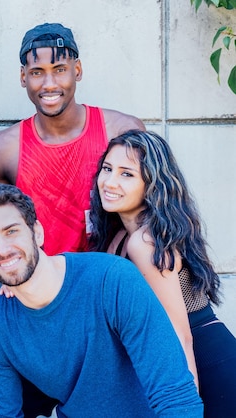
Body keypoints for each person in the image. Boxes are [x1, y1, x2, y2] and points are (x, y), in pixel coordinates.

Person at [0, 183, 203, 417]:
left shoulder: (112, 279)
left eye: (11, 231)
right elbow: (2, 413)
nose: (2, 249)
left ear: (37, 232)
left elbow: (175, 394)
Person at [89, 129, 236, 417]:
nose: (109, 181)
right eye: (107, 169)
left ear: (152, 184)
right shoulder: (119, 236)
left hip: (208, 364)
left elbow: (180, 335)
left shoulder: (145, 242)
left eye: (126, 174)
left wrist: (185, 404)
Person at [0, 22, 145, 255]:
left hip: (110, 280)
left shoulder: (121, 130)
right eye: (37, 72)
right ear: (23, 77)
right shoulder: (3, 148)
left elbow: (152, 212)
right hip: (41, 285)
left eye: (60, 69)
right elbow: (0, 225)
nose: (49, 85)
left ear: (77, 70)